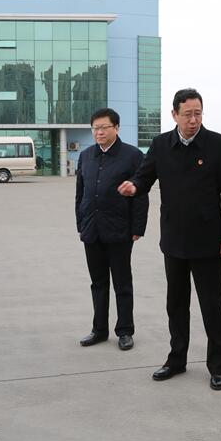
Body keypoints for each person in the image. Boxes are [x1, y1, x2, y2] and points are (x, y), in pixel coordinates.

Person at [118, 88, 221, 391]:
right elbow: (144, 176)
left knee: (212, 305)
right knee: (176, 304)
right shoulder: (161, 145)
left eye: (198, 113)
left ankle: (218, 366)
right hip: (174, 240)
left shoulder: (218, 145)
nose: (194, 119)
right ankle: (176, 359)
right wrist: (133, 186)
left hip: (209, 241)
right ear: (174, 115)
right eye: (188, 114)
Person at [75, 108, 148, 351]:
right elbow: (80, 194)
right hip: (91, 230)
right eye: (95, 128)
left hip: (120, 230)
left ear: (116, 127)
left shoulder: (132, 156)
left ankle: (125, 331)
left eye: (104, 127)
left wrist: (138, 227)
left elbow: (141, 195)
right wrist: (80, 223)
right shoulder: (86, 156)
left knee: (122, 283)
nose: (99, 132)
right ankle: (99, 329)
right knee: (98, 283)